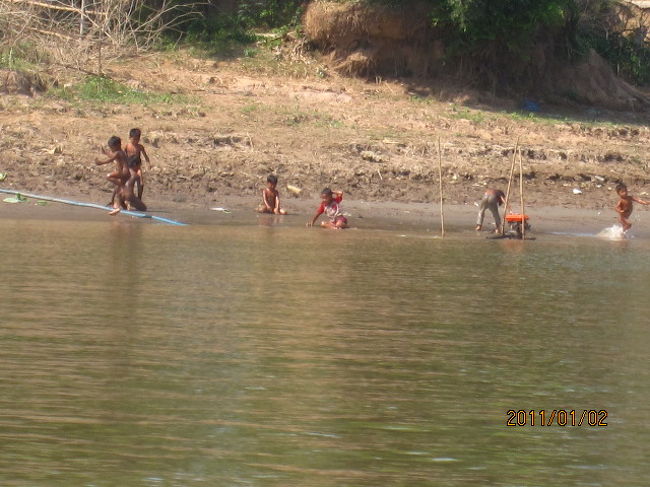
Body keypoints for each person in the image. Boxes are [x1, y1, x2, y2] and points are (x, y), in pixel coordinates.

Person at [95, 136, 129, 215]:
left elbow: (110, 160)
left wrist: (100, 162)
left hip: (124, 173)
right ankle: (126, 210)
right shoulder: (120, 152)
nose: (111, 149)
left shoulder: (118, 152)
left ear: (117, 146)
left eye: (111, 148)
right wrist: (105, 152)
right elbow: (112, 156)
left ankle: (117, 208)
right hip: (125, 174)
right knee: (118, 191)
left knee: (109, 176)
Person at [124, 128, 150, 201]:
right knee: (131, 184)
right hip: (130, 167)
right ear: (130, 138)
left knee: (141, 183)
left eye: (137, 139)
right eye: (134, 139)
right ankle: (129, 199)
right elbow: (122, 155)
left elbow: (146, 157)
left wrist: (148, 164)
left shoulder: (140, 147)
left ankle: (139, 199)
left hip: (138, 167)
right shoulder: (127, 146)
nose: (135, 141)